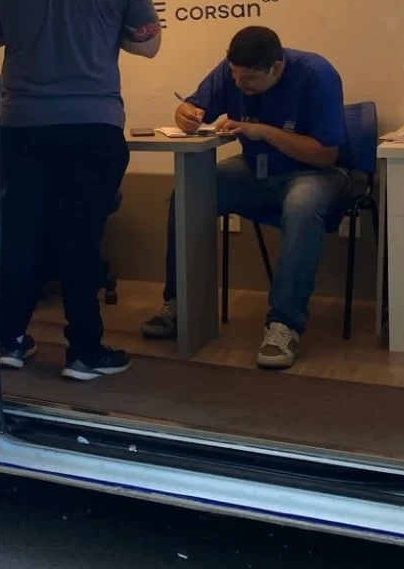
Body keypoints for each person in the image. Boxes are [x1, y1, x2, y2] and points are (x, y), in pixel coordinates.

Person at [0, 0, 161, 382]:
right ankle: (84, 351)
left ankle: (9, 341)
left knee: (20, 231)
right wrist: (107, 31)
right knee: (81, 236)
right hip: (92, 123)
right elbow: (148, 44)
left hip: (22, 123)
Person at [140, 26, 352, 370]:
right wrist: (186, 115)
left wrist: (264, 131)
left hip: (316, 172)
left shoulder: (317, 74)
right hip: (256, 169)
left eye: (250, 78)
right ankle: (180, 304)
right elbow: (191, 106)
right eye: (235, 75)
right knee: (191, 189)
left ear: (277, 68)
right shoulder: (232, 72)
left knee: (301, 205)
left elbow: (326, 154)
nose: (240, 84)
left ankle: (284, 324)